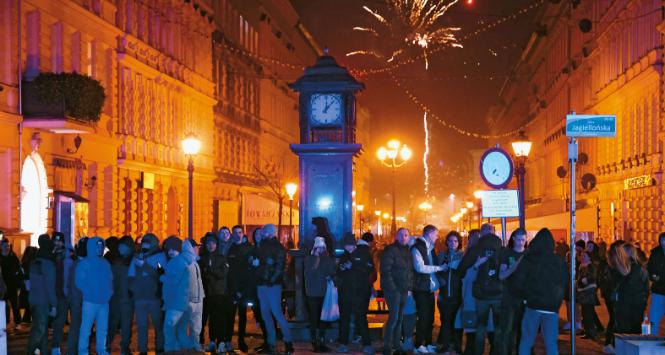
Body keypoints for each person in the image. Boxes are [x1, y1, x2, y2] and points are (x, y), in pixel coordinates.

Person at [514, 228, 567, 355]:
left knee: (526, 340)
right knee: (551, 343)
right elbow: (564, 281)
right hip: (551, 306)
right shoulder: (558, 261)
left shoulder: (529, 259)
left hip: (533, 305)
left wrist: (525, 297)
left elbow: (519, 281)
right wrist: (558, 299)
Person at [254, 224, 294, 354]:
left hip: (270, 284)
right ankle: (273, 343)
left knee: (274, 313)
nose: (262, 233)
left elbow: (280, 266)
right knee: (268, 314)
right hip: (267, 283)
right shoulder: (268, 246)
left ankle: (286, 343)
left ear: (269, 232)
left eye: (264, 231)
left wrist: (270, 279)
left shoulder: (276, 247)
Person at [128, 233, 166, 355]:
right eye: (143, 243)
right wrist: (134, 290)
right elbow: (130, 276)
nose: (145, 245)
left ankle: (159, 348)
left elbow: (161, 274)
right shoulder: (137, 256)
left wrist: (143, 265)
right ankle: (142, 350)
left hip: (154, 297)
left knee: (158, 325)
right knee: (141, 325)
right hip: (140, 297)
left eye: (147, 243)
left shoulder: (160, 256)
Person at [336, 233, 374, 354]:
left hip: (360, 293)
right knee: (344, 318)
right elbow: (339, 273)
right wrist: (341, 270)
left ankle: (367, 344)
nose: (347, 247)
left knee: (361, 318)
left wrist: (353, 267)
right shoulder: (343, 256)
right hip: (345, 293)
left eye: (349, 245)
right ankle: (343, 343)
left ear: (353, 244)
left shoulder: (363, 254)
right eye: (346, 245)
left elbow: (369, 270)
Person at [76, 236, 113, 355]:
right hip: (90, 301)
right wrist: (89, 292)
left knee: (102, 329)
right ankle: (83, 351)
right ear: (91, 247)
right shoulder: (85, 263)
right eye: (97, 246)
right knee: (86, 329)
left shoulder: (105, 263)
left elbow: (110, 280)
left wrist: (109, 293)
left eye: (101, 246)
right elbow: (79, 282)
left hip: (104, 302)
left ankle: (101, 349)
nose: (99, 248)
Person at [380, 228, 414, 355]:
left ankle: (397, 344)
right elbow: (385, 271)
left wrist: (409, 287)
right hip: (393, 290)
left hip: (404, 290)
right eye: (401, 235)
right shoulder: (391, 250)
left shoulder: (407, 251)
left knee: (399, 318)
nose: (403, 237)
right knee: (394, 318)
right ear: (396, 236)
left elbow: (409, 271)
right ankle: (387, 345)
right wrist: (393, 289)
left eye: (406, 235)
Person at [471, 233, 503, 355]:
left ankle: (478, 352)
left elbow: (467, 271)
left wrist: (477, 265)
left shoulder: (477, 252)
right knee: (498, 327)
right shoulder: (501, 252)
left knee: (480, 327)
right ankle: (496, 352)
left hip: (481, 295)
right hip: (498, 294)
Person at [199, 232, 231, 353]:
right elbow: (202, 275)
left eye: (213, 243)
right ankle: (212, 341)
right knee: (210, 319)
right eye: (208, 243)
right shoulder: (203, 258)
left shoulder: (221, 258)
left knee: (220, 318)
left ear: (216, 244)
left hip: (220, 293)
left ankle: (221, 342)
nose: (211, 245)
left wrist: (210, 270)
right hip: (207, 293)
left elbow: (223, 274)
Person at [498, 228, 527, 355]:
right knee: (507, 330)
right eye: (519, 239)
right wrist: (514, 267)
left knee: (522, 329)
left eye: (523, 239)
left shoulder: (528, 255)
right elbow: (501, 275)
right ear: (513, 239)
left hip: (524, 298)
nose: (521, 242)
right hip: (509, 297)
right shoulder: (507, 254)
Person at [26, 234, 57, 355]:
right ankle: (29, 352)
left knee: (42, 331)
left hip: (33, 300)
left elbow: (30, 283)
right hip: (43, 302)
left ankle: (43, 352)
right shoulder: (49, 264)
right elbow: (50, 287)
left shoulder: (35, 261)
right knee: (39, 332)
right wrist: (54, 305)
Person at [304, 236, 335, 352]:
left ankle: (321, 338)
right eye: (318, 247)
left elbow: (332, 272)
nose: (320, 250)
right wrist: (316, 259)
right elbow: (309, 273)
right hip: (312, 293)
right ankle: (314, 339)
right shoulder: (309, 259)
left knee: (323, 318)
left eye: (322, 248)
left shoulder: (328, 260)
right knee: (313, 317)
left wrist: (331, 277)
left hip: (324, 292)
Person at [610, 243, 648, 336]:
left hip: (632, 300)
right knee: (627, 326)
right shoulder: (622, 265)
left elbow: (633, 283)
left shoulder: (635, 266)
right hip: (630, 300)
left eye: (627, 251)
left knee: (629, 327)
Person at [436, 231, 464, 354]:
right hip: (444, 294)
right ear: (447, 242)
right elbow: (436, 270)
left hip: (458, 294)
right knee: (446, 321)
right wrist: (441, 280)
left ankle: (457, 346)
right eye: (450, 241)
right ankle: (446, 345)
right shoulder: (442, 255)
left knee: (457, 321)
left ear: (459, 243)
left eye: (455, 241)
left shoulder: (462, 255)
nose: (453, 243)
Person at [161, 236, 190, 352]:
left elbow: (175, 281)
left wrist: (162, 277)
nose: (171, 252)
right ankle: (179, 350)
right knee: (179, 331)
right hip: (177, 301)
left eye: (174, 249)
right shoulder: (176, 261)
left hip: (176, 302)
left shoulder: (178, 262)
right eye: (169, 249)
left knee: (169, 329)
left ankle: (170, 350)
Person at [107, 235, 135, 354]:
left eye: (122, 246)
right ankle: (107, 344)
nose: (120, 248)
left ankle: (124, 347)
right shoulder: (112, 258)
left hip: (126, 298)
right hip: (116, 297)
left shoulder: (133, 260)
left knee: (126, 324)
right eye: (120, 246)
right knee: (113, 322)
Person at [51, 231, 74, 355]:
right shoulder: (49, 256)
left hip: (64, 295)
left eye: (59, 241)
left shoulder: (68, 258)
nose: (57, 243)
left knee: (61, 322)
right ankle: (51, 347)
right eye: (55, 240)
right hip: (52, 294)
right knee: (54, 322)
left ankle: (57, 347)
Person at [67, 237, 88, 355]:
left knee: (77, 326)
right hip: (81, 301)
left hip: (77, 300)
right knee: (79, 327)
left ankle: (74, 350)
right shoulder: (82, 264)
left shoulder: (76, 264)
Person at [576, 251, 600, 340]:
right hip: (583, 294)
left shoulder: (591, 266)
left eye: (584, 255)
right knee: (585, 314)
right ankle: (588, 332)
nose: (582, 257)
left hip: (588, 294)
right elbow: (580, 280)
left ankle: (592, 333)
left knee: (588, 314)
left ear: (589, 257)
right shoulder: (582, 266)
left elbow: (590, 279)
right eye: (581, 255)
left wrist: (582, 282)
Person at [0, 237, 22, 329]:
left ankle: (17, 322)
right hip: (2, 285)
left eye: (8, 246)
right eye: (5, 246)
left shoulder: (13, 257)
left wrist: (17, 277)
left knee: (15, 304)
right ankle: (5, 321)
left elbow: (19, 269)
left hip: (12, 284)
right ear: (1, 246)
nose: (7, 248)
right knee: (3, 304)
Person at [647, 232, 665, 334]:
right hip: (658, 289)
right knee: (654, 315)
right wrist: (653, 277)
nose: (663, 243)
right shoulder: (655, 253)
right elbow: (650, 268)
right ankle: (652, 336)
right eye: (662, 240)